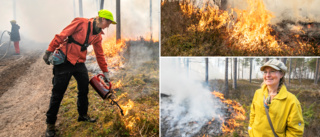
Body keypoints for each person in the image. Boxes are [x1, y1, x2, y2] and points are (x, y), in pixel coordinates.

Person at [42, 9, 116, 137]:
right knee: (58, 93)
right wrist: (49, 51)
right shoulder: (81, 22)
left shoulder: (98, 36)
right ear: (102, 19)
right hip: (65, 61)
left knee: (84, 88)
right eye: (108, 23)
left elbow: (100, 55)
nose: (109, 26)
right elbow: (62, 35)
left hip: (79, 62)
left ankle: (83, 115)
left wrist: (106, 73)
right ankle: (50, 125)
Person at [248, 59, 304, 137]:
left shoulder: (291, 100)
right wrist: (250, 130)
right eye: (265, 72)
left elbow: (295, 131)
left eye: (272, 71)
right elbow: (253, 114)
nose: (267, 75)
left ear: (281, 74)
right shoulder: (258, 93)